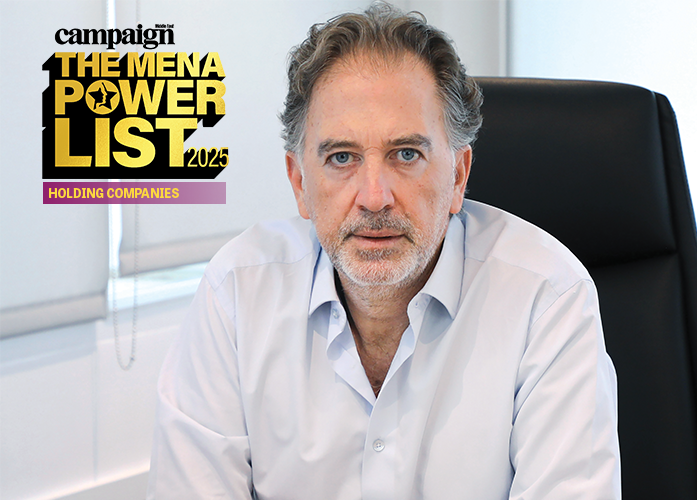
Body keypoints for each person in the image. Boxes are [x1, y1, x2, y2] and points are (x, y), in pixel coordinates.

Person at [147, 3, 621, 499]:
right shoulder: (237, 294)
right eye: (342, 157)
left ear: (458, 175)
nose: (374, 198)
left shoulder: (547, 299)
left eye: (406, 154)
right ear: (299, 182)